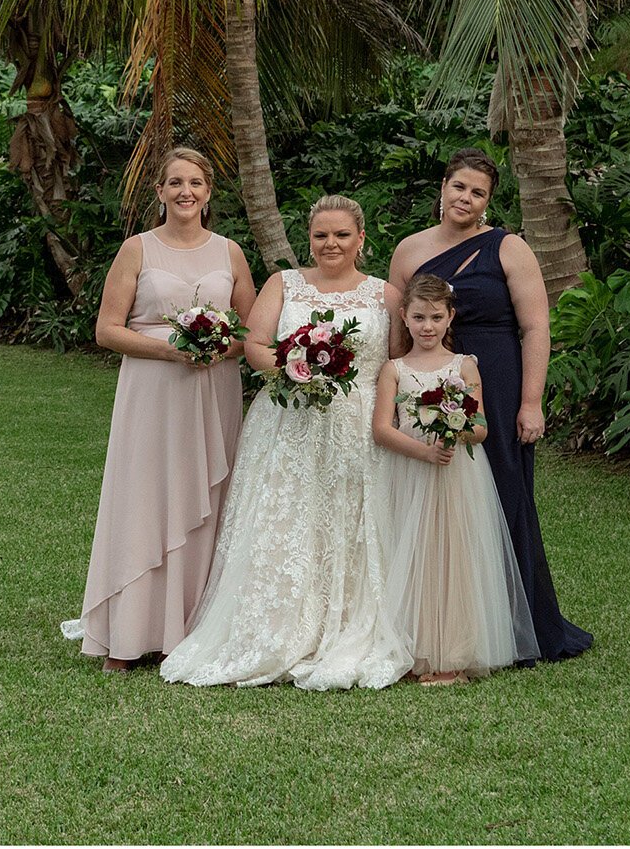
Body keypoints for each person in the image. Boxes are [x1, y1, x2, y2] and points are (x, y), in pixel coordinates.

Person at [161, 195, 410, 690]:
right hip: (287, 421)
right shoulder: (283, 283)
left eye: (341, 235)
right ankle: (276, 627)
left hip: (358, 425)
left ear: (361, 239)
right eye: (321, 235)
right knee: (287, 520)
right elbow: (254, 343)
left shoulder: (387, 296)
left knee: (349, 519)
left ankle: (346, 626)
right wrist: (295, 370)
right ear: (309, 240)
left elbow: (397, 364)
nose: (330, 244)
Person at [388, 149, 594, 661]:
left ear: (487, 202)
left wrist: (530, 403)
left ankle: (518, 625)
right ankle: (446, 622)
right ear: (443, 186)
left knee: (505, 496)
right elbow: (398, 328)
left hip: (498, 383)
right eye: (460, 187)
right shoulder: (409, 251)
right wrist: (398, 394)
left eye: (479, 193)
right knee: (436, 499)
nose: (467, 198)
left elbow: (535, 327)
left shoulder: (509, 248)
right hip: (426, 379)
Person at [61, 147, 255, 672]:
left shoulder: (230, 253)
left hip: (212, 392)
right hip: (151, 391)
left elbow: (252, 332)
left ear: (209, 192)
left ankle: (189, 634)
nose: (185, 192)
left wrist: (218, 345)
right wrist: (173, 349)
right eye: (175, 183)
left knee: (207, 501)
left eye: (195, 182)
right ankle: (124, 635)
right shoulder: (137, 250)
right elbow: (107, 330)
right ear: (160, 193)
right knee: (143, 497)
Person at [371, 273, 540, 683]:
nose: (427, 327)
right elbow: (381, 429)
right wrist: (424, 451)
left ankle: (454, 654)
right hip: (409, 470)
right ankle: (415, 651)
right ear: (404, 318)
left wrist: (454, 430)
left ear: (450, 318)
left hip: (457, 475)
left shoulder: (463, 366)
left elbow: (480, 427)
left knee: (454, 556)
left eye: (435, 317)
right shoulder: (394, 369)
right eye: (418, 317)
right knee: (410, 556)